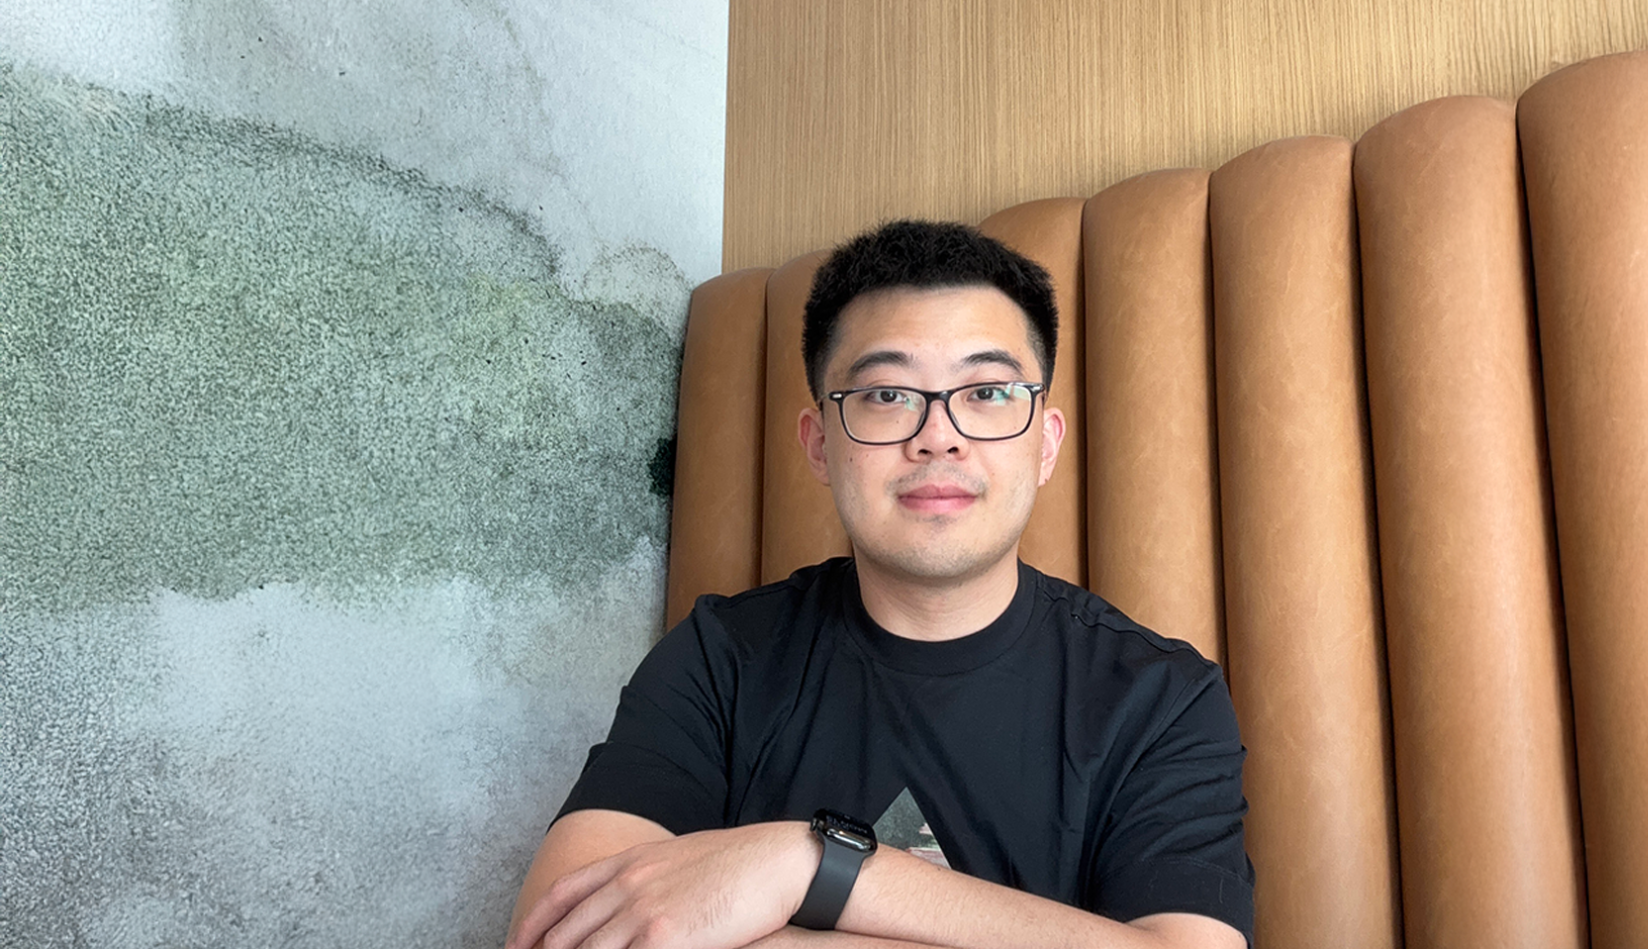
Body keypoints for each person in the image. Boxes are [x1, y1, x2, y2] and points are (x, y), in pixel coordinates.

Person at [505, 220, 1253, 949]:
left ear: (1045, 444)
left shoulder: (1161, 699)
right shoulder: (718, 658)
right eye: (888, 394)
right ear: (819, 445)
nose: (939, 434)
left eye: (988, 392)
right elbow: (560, 929)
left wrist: (810, 866)